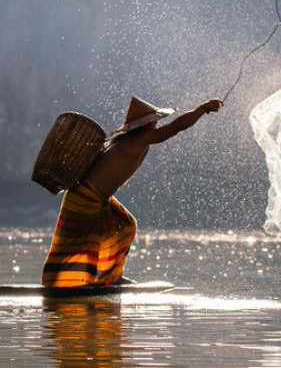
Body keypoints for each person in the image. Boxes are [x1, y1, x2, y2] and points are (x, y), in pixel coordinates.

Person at [41, 96, 223, 288]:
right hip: (85, 197)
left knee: (125, 225)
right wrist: (202, 109)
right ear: (146, 124)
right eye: (154, 121)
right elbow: (175, 128)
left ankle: (110, 277)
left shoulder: (127, 140)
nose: (156, 124)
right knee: (74, 242)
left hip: (99, 199)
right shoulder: (139, 139)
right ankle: (57, 282)